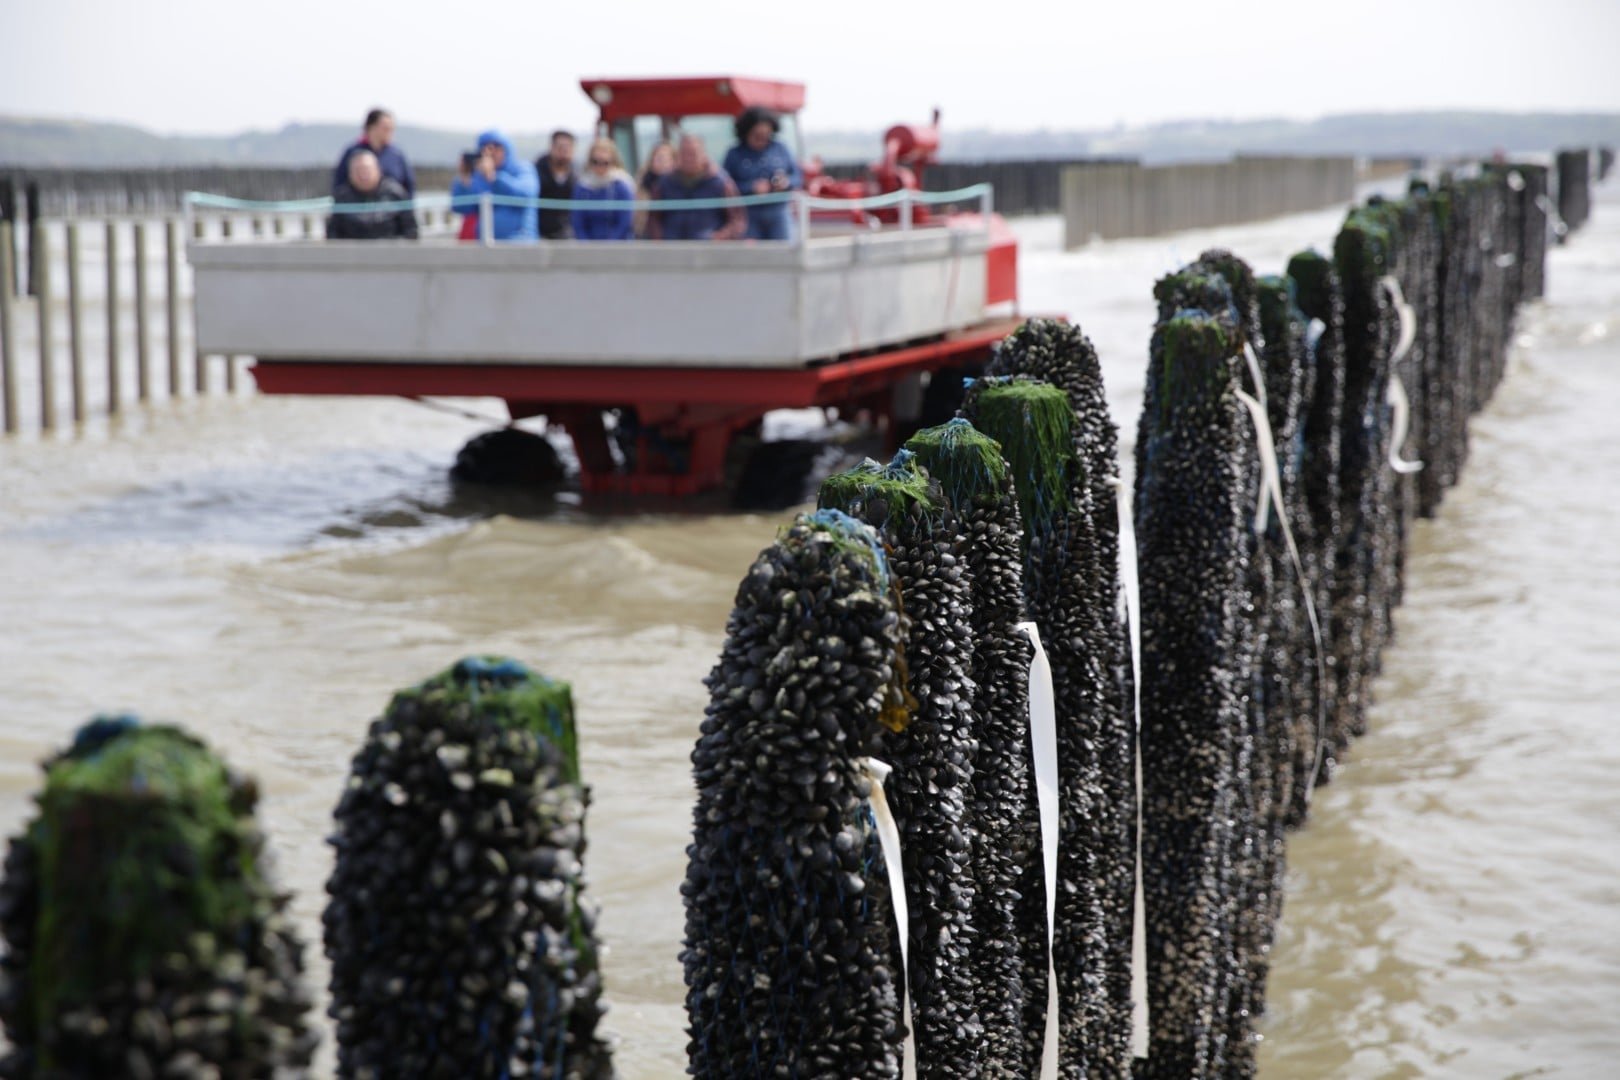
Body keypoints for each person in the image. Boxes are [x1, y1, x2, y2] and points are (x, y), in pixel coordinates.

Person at [721, 106, 802, 241]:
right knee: (752, 257)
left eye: (766, 136)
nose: (762, 140)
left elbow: (797, 177)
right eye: (757, 136)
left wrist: (785, 182)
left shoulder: (780, 149)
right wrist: (751, 187)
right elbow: (725, 185)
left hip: (779, 212)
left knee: (784, 254)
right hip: (748, 214)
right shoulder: (734, 154)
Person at [647, 135, 745, 242]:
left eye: (693, 154)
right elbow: (653, 218)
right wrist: (660, 238)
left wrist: (720, 237)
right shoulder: (664, 183)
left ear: (703, 154)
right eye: (684, 153)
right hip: (673, 249)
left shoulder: (721, 182)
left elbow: (737, 219)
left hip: (709, 250)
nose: (688, 158)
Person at [450, 131, 539, 241]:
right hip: (486, 244)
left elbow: (524, 195)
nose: (490, 152)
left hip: (519, 241)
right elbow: (462, 208)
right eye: (485, 148)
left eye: (496, 147)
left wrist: (494, 178)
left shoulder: (523, 169)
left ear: (507, 149)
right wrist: (464, 180)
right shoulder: (479, 176)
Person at [326, 150, 418, 239]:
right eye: (358, 170)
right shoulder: (342, 197)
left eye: (366, 169)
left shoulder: (395, 194)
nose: (363, 175)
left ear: (378, 170)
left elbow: (411, 231)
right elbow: (333, 235)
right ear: (350, 173)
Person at [332, 108, 416, 198]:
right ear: (371, 127)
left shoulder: (396, 154)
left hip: (391, 208)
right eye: (386, 128)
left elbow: (409, 185)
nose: (390, 132)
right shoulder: (352, 152)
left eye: (392, 128)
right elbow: (339, 183)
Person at [570, 139, 636, 241]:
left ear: (613, 161)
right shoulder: (582, 187)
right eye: (595, 162)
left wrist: (609, 246)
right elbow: (578, 222)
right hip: (588, 247)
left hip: (618, 246)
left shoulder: (621, 186)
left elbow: (625, 222)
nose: (600, 166)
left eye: (605, 162)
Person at [535, 130, 577, 240]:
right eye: (560, 148)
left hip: (567, 234)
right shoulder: (536, 174)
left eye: (567, 148)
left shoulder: (577, 177)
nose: (564, 152)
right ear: (551, 147)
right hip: (539, 234)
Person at [635, 141, 676, 238]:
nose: (658, 161)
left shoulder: (677, 184)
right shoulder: (643, 182)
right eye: (656, 157)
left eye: (663, 158)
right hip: (644, 234)